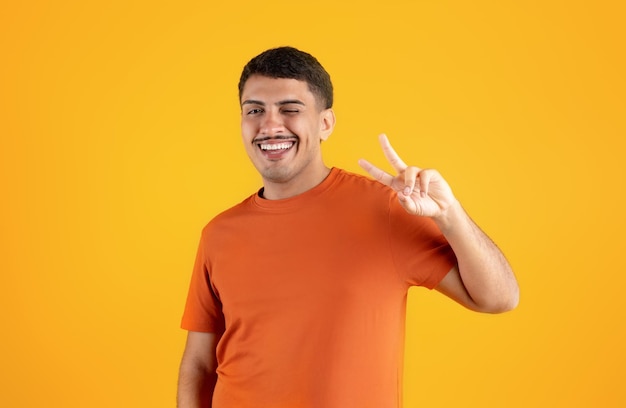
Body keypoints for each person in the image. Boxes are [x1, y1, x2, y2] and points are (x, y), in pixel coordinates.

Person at [177, 46, 519, 408]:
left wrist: (449, 215)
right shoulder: (218, 233)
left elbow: (499, 298)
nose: (270, 125)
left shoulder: (384, 210)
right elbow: (200, 363)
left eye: (290, 110)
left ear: (325, 123)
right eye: (255, 111)